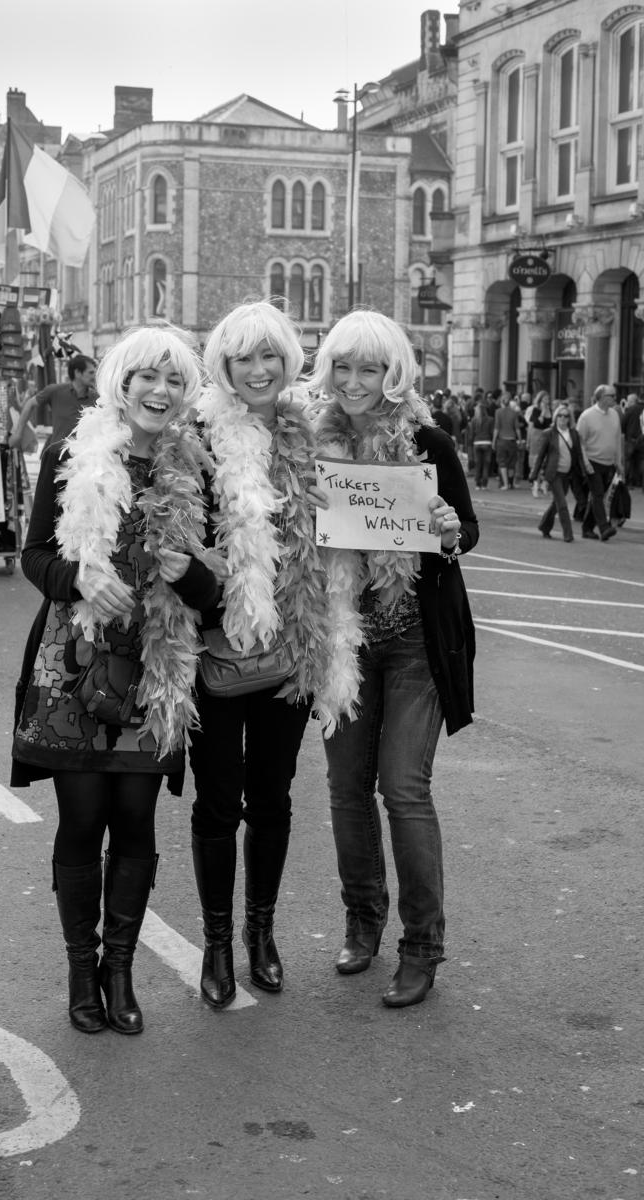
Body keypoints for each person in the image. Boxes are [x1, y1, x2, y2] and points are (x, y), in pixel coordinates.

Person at [11, 326, 221, 1036]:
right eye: (146, 378)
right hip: (75, 665)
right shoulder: (71, 451)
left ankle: (120, 973)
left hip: (157, 672)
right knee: (81, 819)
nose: (159, 392)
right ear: (121, 384)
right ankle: (81, 973)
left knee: (134, 820)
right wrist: (78, 580)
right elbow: (34, 555)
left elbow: (220, 589)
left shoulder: (197, 468)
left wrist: (186, 574)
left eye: (174, 381)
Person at [309, 309, 478, 1008]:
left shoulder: (427, 441)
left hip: (413, 638)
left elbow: (465, 530)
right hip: (343, 635)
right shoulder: (311, 443)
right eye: (343, 367)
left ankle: (423, 944)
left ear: (393, 372)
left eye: (369, 368)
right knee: (347, 788)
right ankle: (362, 919)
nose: (354, 381)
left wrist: (445, 531)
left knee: (402, 788)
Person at [188, 301, 328, 1009]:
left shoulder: (309, 433)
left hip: (291, 646)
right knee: (218, 803)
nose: (261, 370)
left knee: (271, 798)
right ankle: (215, 943)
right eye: (246, 358)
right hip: (217, 649)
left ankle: (260, 933)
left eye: (271, 356)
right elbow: (171, 532)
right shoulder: (199, 435)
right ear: (224, 365)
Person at [9, 354, 97, 451]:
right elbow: (30, 404)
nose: (94, 376)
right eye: (91, 373)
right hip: (57, 456)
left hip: (86, 457)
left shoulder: (97, 397)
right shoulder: (55, 391)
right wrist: (18, 433)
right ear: (77, 373)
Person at [530, 403, 586, 542]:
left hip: (568, 474)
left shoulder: (574, 434)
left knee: (556, 503)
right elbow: (541, 455)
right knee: (562, 504)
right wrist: (534, 474)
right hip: (554, 474)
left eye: (566, 416)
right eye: (560, 415)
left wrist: (584, 471)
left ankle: (544, 526)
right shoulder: (549, 433)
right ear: (555, 417)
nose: (562, 418)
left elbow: (578, 455)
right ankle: (568, 534)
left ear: (569, 418)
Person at [576, 384, 624, 540]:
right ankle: (604, 528)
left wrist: (618, 461)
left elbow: (617, 439)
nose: (615, 399)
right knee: (597, 494)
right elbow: (580, 442)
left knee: (600, 495)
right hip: (592, 461)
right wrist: (585, 462)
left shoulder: (615, 415)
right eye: (612, 396)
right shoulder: (586, 416)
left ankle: (587, 528)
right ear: (602, 398)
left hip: (609, 463)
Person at [492, 392, 521, 489]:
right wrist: (520, 440)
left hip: (502, 440)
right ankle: (511, 483)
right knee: (512, 463)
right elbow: (517, 428)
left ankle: (505, 484)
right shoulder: (514, 413)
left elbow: (496, 427)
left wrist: (493, 441)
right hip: (512, 440)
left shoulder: (498, 412)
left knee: (502, 463)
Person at [527, 390, 553, 496]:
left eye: (548, 399)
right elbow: (537, 423)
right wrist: (542, 411)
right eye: (545, 399)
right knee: (536, 461)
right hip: (537, 436)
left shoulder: (551, 410)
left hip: (547, 436)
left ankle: (543, 483)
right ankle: (535, 484)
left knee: (547, 461)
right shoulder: (536, 410)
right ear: (540, 399)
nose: (547, 401)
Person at [468, 397, 494, 489]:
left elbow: (471, 434)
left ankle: (477, 484)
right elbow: (492, 433)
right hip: (487, 442)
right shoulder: (490, 420)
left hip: (477, 443)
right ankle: (484, 484)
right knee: (486, 464)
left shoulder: (474, 420)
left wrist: (470, 444)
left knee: (478, 464)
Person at [621, 391, 644, 490]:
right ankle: (641, 482)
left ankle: (628, 482)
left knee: (628, 461)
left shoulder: (630, 410)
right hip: (642, 440)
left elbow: (623, 423)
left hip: (630, 439)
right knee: (642, 461)